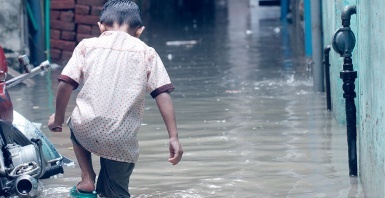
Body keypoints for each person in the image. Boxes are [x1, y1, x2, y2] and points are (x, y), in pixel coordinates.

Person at [47, 0, 183, 197]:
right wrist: (173, 137)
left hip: (86, 127)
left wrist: (57, 119)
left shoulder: (87, 46)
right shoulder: (147, 52)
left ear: (101, 26)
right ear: (139, 31)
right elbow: (162, 93)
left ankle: (86, 178)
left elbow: (65, 84)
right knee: (115, 192)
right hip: (121, 137)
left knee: (74, 122)